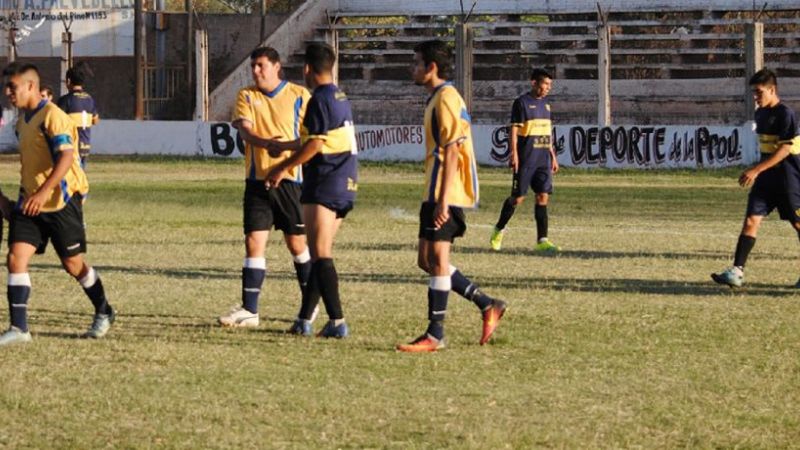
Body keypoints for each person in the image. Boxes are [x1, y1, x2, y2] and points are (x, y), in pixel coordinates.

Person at [396, 40, 506, 353]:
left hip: (447, 190)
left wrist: (444, 200)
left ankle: (435, 334)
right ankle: (487, 304)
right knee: (426, 261)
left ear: (432, 67)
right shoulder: (437, 97)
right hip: (434, 188)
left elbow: (453, 150)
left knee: (439, 260)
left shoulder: (445, 98)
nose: (412, 68)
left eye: (417, 63)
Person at [0, 63, 114, 346]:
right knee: (15, 258)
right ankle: (19, 328)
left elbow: (65, 158)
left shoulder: (54, 116)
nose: (7, 92)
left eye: (12, 87)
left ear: (30, 86)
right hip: (31, 203)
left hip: (61, 201)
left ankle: (104, 310)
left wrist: (42, 194)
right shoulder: (21, 121)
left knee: (73, 264)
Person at [217, 47, 319, 329]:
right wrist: (267, 144)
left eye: (261, 65)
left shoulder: (300, 95)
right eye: (253, 66)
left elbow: (310, 138)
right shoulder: (247, 95)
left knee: (297, 244)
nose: (256, 71)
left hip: (290, 181)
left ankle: (310, 306)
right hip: (257, 182)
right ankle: (250, 310)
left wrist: (282, 151)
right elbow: (245, 131)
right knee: (253, 242)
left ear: (277, 67)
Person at [266, 43, 357, 338]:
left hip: (325, 182)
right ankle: (304, 319)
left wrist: (282, 167)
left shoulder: (318, 99)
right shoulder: (339, 96)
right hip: (345, 182)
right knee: (321, 254)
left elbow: (316, 145)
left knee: (320, 255)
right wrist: (285, 146)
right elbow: (318, 138)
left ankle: (337, 322)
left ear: (307, 69)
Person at [712, 68, 800, 288]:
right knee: (751, 220)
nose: (755, 97)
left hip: (789, 180)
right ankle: (736, 272)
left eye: (759, 92)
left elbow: (784, 150)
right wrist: (760, 172)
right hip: (766, 181)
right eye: (753, 92)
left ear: (772, 90)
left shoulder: (785, 114)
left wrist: (755, 170)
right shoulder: (760, 114)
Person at [489, 68, 560, 253]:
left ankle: (542, 240)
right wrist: (514, 154)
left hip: (543, 158)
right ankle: (499, 228)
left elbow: (547, 131)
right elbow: (513, 130)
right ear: (534, 82)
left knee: (542, 196)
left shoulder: (546, 105)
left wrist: (552, 155)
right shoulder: (521, 103)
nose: (548, 88)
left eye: (550, 85)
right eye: (545, 84)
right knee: (518, 198)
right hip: (526, 158)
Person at [57, 62, 99, 167]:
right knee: (81, 175)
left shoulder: (65, 100)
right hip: (85, 145)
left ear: (68, 81)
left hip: (71, 146)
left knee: (70, 178)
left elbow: (57, 122)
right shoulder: (89, 99)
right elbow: (95, 120)